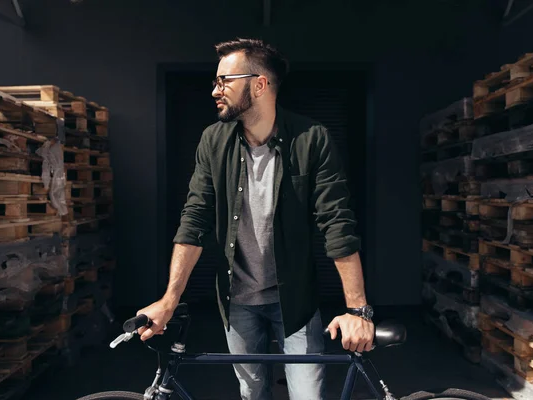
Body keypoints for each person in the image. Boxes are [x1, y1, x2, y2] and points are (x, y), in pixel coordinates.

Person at [136, 38, 375, 400]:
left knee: (308, 395)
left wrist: (358, 310)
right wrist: (169, 300)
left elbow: (337, 223)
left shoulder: (312, 140)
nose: (215, 90)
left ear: (259, 84)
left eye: (224, 81)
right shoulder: (213, 141)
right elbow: (194, 220)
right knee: (252, 394)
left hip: (296, 300)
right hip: (238, 301)